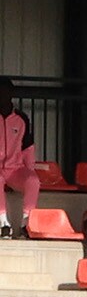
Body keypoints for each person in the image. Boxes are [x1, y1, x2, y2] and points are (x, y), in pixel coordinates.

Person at [0, 77, 38, 239]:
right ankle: (3, 224)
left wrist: (29, 170)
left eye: (5, 92)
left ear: (11, 94)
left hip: (15, 169)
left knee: (33, 181)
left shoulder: (22, 118)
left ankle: (25, 223)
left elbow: (27, 147)